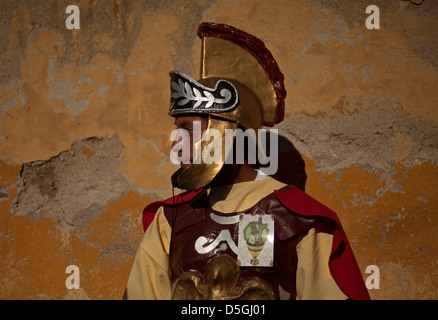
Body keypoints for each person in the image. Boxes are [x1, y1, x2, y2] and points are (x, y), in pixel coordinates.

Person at [123, 22, 370, 300]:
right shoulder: (169, 221)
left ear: (226, 130)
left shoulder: (298, 219)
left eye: (187, 129)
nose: (175, 142)